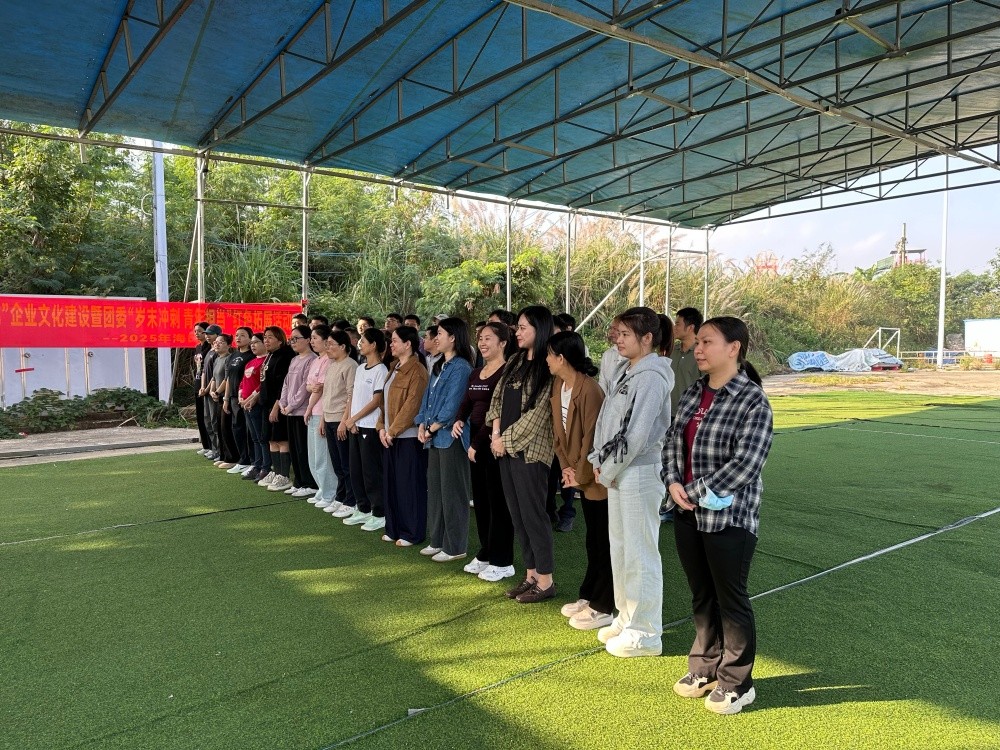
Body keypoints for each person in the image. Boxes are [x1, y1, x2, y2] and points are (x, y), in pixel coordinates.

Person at [663, 316, 773, 715]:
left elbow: (747, 464)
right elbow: (672, 441)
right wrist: (672, 482)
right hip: (687, 512)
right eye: (699, 342)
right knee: (701, 593)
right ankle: (704, 667)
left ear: (734, 348)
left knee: (731, 597)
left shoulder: (753, 400)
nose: (699, 349)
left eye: (708, 342)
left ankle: (737, 682)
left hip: (730, 518)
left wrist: (690, 491)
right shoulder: (695, 392)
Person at [589, 307, 673, 658]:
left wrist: (606, 468)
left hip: (639, 471)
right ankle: (626, 619)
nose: (617, 340)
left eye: (625, 334)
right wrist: (600, 461)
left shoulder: (652, 376)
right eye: (617, 333)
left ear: (647, 338)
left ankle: (645, 632)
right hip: (619, 470)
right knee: (621, 548)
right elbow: (609, 421)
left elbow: (636, 434)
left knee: (640, 552)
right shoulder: (628, 369)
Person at [486, 305, 556, 604]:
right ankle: (531, 575)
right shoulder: (515, 360)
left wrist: (505, 440)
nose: (518, 331)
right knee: (518, 515)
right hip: (504, 449)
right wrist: (496, 435)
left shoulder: (548, 364)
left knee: (533, 515)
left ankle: (546, 580)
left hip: (531, 452)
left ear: (540, 329)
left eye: (524, 327)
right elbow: (497, 398)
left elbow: (539, 414)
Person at [546, 331, 612, 631]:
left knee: (602, 540)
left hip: (594, 478)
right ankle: (589, 594)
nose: (546, 360)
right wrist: (566, 468)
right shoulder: (559, 385)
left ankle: (603, 604)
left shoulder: (590, 390)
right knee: (593, 539)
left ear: (562, 358)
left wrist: (579, 474)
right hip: (577, 475)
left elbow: (592, 439)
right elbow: (558, 434)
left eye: (550, 355)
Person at [453, 322, 515, 582]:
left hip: (493, 444)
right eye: (480, 338)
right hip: (475, 445)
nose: (482, 343)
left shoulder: (507, 372)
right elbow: (467, 402)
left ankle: (503, 560)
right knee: (481, 502)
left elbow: (496, 412)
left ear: (503, 343)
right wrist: (459, 419)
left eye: (488, 338)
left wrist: (477, 444)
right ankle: (486, 552)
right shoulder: (476, 372)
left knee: (498, 503)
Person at [417, 318, 474, 562]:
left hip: (450, 437)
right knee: (437, 491)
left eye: (440, 333)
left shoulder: (461, 367)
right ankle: (438, 540)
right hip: (434, 436)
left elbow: (454, 405)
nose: (435, 338)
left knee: (453, 493)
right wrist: (422, 424)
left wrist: (431, 427)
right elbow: (426, 398)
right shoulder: (439, 365)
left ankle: (455, 546)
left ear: (453, 337)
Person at [378, 326, 429, 542]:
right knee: (391, 485)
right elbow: (383, 402)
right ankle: (393, 528)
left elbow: (412, 406)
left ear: (408, 344)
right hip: (390, 436)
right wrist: (381, 427)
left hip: (408, 438)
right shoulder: (394, 367)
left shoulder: (417, 371)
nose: (391, 344)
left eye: (395, 341)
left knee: (409, 486)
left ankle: (411, 532)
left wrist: (392, 431)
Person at [340, 328, 389, 530]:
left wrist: (354, 419)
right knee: (356, 469)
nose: (360, 344)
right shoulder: (361, 368)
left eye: (363, 340)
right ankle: (363, 508)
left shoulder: (381, 370)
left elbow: (376, 401)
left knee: (371, 472)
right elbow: (353, 396)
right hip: (356, 426)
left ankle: (379, 512)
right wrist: (350, 420)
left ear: (374, 345)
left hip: (370, 427)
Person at [275, 325, 318, 496]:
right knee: (294, 448)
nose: (292, 342)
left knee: (303, 449)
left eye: (296, 338)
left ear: (307, 340)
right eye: (291, 339)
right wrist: (283, 403)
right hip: (289, 411)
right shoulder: (294, 359)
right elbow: (286, 383)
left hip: (302, 412)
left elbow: (305, 388)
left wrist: (291, 405)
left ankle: (309, 483)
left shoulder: (312, 359)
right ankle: (299, 481)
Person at [320, 330, 359, 516]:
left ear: (343, 346)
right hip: (328, 419)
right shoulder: (331, 365)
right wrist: (322, 419)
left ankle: (351, 500)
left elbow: (351, 396)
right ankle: (341, 496)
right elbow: (326, 394)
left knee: (346, 464)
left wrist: (344, 422)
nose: (327, 348)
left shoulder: (350, 365)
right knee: (336, 463)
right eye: (326, 344)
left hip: (340, 420)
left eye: (330, 344)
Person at [258, 326, 295, 491]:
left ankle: (284, 475)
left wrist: (276, 407)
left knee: (281, 439)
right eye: (265, 337)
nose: (266, 340)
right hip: (266, 405)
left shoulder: (285, 356)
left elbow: (282, 385)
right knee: (271, 439)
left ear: (280, 340)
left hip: (279, 405)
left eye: (270, 337)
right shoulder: (270, 355)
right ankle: (276, 471)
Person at [304, 325, 335, 507]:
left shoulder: (328, 361)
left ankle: (329, 492)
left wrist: (309, 408)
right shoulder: (316, 360)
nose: (312, 341)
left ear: (325, 341)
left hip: (321, 411)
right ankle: (322, 489)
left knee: (323, 456)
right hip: (313, 411)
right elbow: (309, 385)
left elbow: (320, 387)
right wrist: (313, 388)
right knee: (314, 455)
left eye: (315, 338)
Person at [223, 327, 255, 475]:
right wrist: (226, 398)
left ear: (250, 338)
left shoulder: (251, 356)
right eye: (236, 335)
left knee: (248, 430)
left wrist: (246, 397)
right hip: (234, 397)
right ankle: (243, 459)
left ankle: (251, 461)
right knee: (237, 429)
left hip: (247, 398)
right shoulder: (232, 356)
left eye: (242, 335)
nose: (238, 338)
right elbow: (229, 379)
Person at [239, 333, 269, 481]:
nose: (253, 345)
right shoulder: (250, 362)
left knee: (261, 438)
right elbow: (243, 382)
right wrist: (240, 396)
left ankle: (265, 467)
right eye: (251, 343)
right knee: (254, 438)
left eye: (256, 342)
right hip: (246, 404)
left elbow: (261, 385)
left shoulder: (266, 361)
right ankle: (257, 465)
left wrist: (250, 398)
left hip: (256, 404)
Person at [670, 307, 703, 415]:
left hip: (690, 414)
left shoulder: (702, 354)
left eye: (677, 324)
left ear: (690, 328)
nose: (674, 327)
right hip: (668, 414)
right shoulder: (672, 351)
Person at [208, 333, 234, 467]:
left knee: (226, 428)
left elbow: (226, 378)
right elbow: (213, 378)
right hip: (217, 397)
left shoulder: (229, 358)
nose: (217, 344)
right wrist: (212, 391)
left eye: (221, 342)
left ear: (229, 345)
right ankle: (223, 455)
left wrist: (218, 392)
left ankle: (231, 458)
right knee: (219, 427)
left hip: (225, 397)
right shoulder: (217, 359)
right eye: (215, 342)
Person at [199, 324, 221, 460]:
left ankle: (219, 450)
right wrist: (202, 387)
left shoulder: (218, 353)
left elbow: (214, 376)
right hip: (206, 392)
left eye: (210, 334)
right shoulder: (209, 351)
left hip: (213, 391)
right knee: (207, 420)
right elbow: (204, 371)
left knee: (214, 421)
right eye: (206, 334)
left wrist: (207, 389)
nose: (207, 336)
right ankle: (213, 448)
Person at [192, 322, 213, 456]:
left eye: (200, 331)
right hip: (198, 383)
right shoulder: (197, 348)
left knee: (208, 418)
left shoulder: (210, 348)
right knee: (200, 417)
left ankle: (212, 446)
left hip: (207, 386)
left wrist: (205, 386)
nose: (197, 333)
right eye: (195, 331)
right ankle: (205, 445)